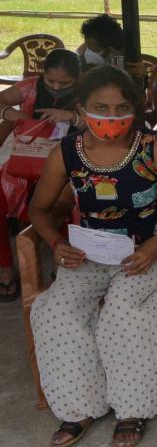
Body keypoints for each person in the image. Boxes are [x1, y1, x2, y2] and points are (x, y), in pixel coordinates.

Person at [28, 66, 157, 447]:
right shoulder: (67, 153)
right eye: (100, 107)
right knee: (55, 309)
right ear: (82, 108)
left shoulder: (151, 147)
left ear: (135, 108)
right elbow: (38, 209)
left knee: (124, 311)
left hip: (143, 253)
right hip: (88, 253)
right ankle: (79, 406)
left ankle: (131, 409)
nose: (111, 116)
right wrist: (56, 243)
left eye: (121, 107)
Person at [0, 48, 81, 301]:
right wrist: (8, 113)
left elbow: (104, 120)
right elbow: (2, 100)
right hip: (25, 162)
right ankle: (5, 270)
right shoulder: (30, 87)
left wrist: (72, 117)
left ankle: (64, 268)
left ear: (77, 79)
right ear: (42, 75)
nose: (57, 87)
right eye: (51, 81)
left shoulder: (90, 90)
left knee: (75, 200)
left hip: (71, 163)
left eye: (64, 83)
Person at [78, 14, 144, 78]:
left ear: (109, 48)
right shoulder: (80, 64)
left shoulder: (125, 57)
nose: (88, 49)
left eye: (93, 46)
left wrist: (142, 73)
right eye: (86, 44)